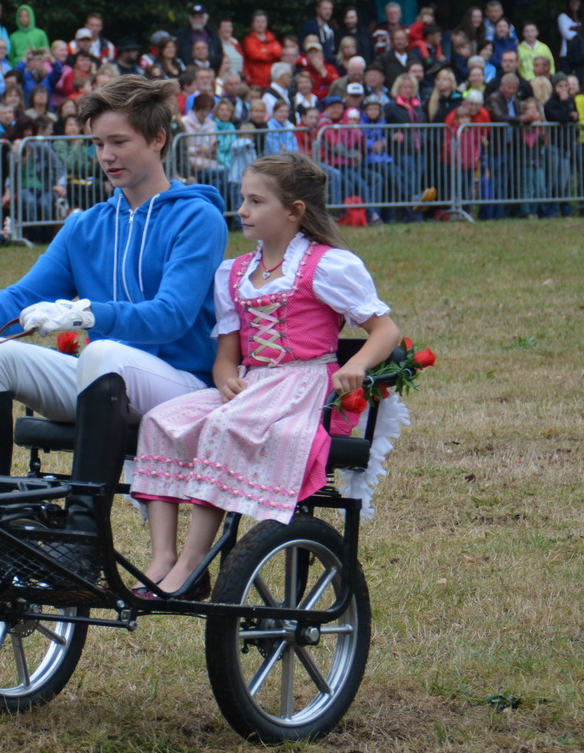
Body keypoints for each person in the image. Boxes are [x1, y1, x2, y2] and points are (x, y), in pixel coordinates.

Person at [0, 75, 228, 589]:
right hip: (105, 380)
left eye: (119, 142)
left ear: (158, 140)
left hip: (183, 388)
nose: (106, 156)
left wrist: (88, 315)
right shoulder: (86, 225)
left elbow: (171, 315)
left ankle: (83, 541)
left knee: (103, 351)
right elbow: (23, 299)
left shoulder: (198, 218)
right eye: (98, 144)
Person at [130, 152, 400, 597]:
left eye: (256, 202)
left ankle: (195, 562)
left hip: (303, 386)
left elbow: (385, 330)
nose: (242, 211)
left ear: (294, 212)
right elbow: (226, 354)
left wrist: (355, 365)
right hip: (255, 383)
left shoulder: (326, 265)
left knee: (223, 425)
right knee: (161, 421)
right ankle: (163, 557)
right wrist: (223, 377)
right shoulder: (234, 273)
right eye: (243, 199)